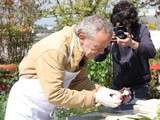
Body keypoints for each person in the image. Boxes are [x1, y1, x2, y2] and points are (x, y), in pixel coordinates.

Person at [5, 15, 124, 120]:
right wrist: (95, 97)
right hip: (27, 108)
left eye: (104, 48)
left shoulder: (81, 48)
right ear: (82, 36)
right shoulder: (55, 49)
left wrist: (101, 91)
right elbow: (55, 94)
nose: (101, 52)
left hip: (46, 107)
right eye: (97, 47)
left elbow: (78, 81)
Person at [95, 1, 156, 99]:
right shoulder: (112, 31)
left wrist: (132, 43)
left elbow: (151, 52)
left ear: (131, 21)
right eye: (117, 24)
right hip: (117, 87)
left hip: (139, 87)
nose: (120, 28)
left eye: (124, 25)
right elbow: (97, 57)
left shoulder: (140, 29)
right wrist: (105, 43)